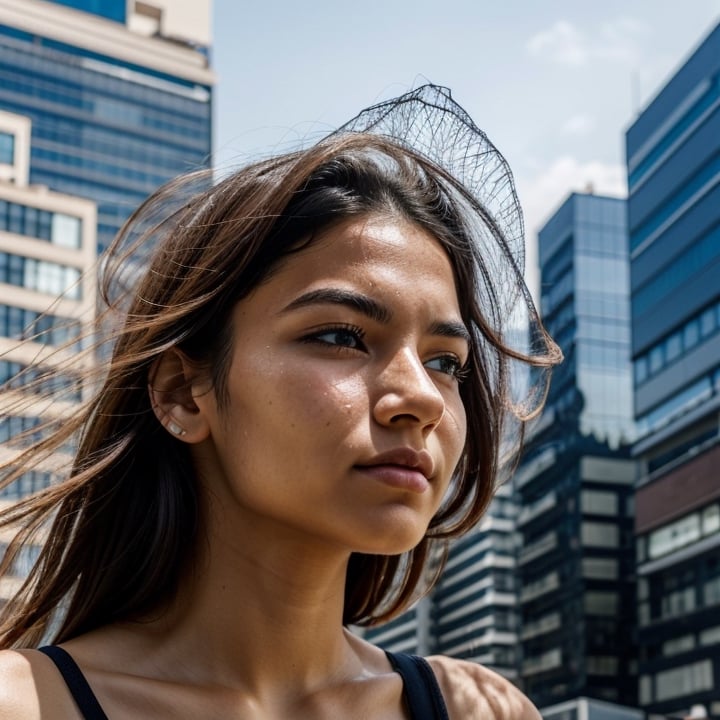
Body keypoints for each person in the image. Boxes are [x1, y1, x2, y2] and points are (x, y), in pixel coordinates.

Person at [0, 85, 560, 719]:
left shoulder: (478, 711)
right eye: (341, 336)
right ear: (183, 394)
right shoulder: (24, 703)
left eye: (445, 362)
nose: (421, 397)